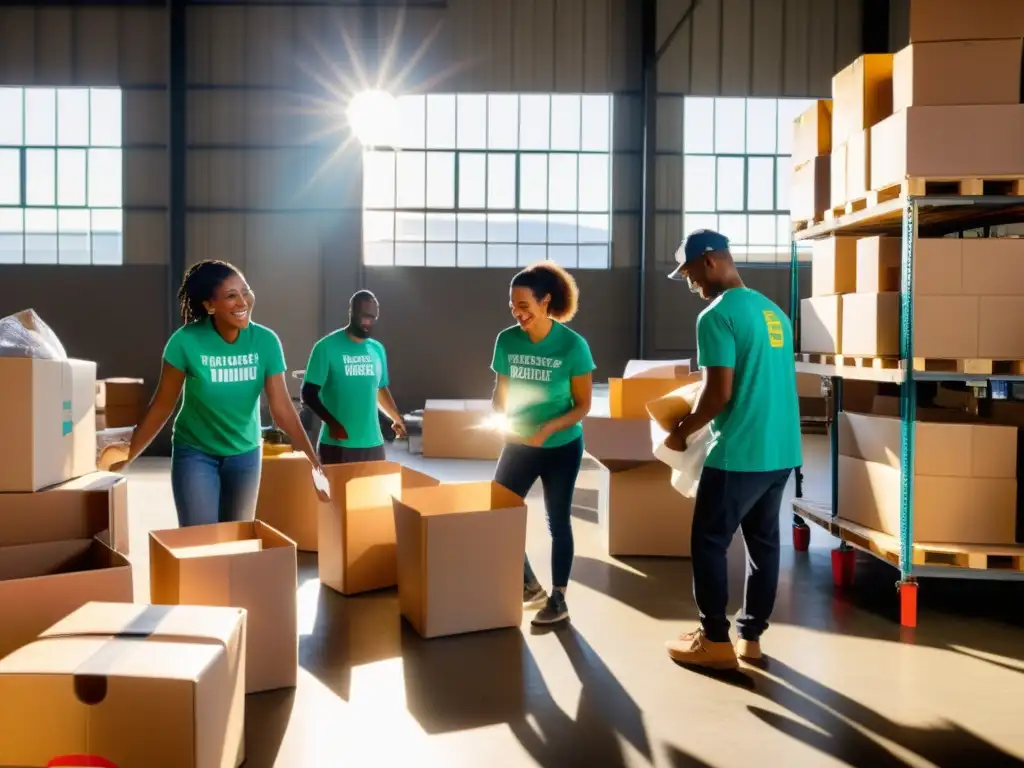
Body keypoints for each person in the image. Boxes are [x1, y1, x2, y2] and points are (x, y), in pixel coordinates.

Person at [662, 230, 802, 669]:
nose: (690, 285)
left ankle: (714, 639)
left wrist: (681, 431)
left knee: (708, 543)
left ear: (708, 262)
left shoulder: (715, 316)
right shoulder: (774, 312)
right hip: (781, 450)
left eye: (688, 274)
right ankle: (751, 638)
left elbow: (718, 394)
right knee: (764, 546)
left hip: (739, 451)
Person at [112, 260, 328, 526]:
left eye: (245, 291)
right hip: (195, 453)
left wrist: (314, 463)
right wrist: (127, 457)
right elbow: (162, 406)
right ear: (209, 305)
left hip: (245, 455)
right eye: (231, 295)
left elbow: (282, 409)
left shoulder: (266, 342)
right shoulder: (185, 342)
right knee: (200, 541)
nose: (243, 302)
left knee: (235, 543)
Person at [491, 261, 595, 626]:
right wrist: (497, 419)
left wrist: (548, 429)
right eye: (512, 306)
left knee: (558, 521)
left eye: (524, 305)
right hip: (519, 443)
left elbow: (583, 405)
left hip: (561, 446)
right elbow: (500, 392)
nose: (517, 313)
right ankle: (527, 586)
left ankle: (559, 598)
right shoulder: (506, 340)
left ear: (545, 301)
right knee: (498, 511)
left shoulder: (572, 346)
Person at [300, 289, 406, 464]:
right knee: (337, 492)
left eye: (372, 318)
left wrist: (396, 418)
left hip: (373, 445)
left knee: (373, 492)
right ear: (352, 312)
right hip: (337, 446)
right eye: (364, 316)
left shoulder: (377, 349)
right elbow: (308, 394)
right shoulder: (326, 347)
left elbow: (379, 388)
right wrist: (332, 424)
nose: (367, 322)